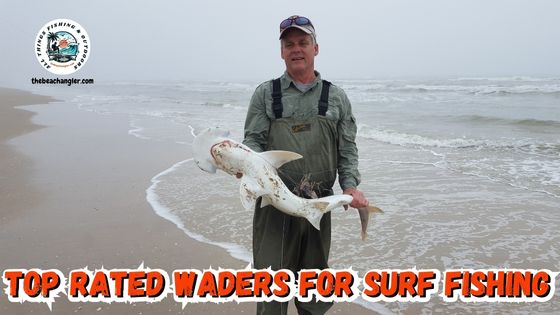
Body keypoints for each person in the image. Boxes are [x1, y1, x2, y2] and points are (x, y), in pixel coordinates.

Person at [242, 15, 369, 315]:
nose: (296, 49)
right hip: (274, 205)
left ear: (316, 48)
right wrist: (247, 166)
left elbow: (347, 148)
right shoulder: (265, 94)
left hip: (318, 206)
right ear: (282, 52)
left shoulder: (336, 96)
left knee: (314, 294)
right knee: (272, 293)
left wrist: (350, 185)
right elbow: (253, 143)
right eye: (289, 44)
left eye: (303, 42)